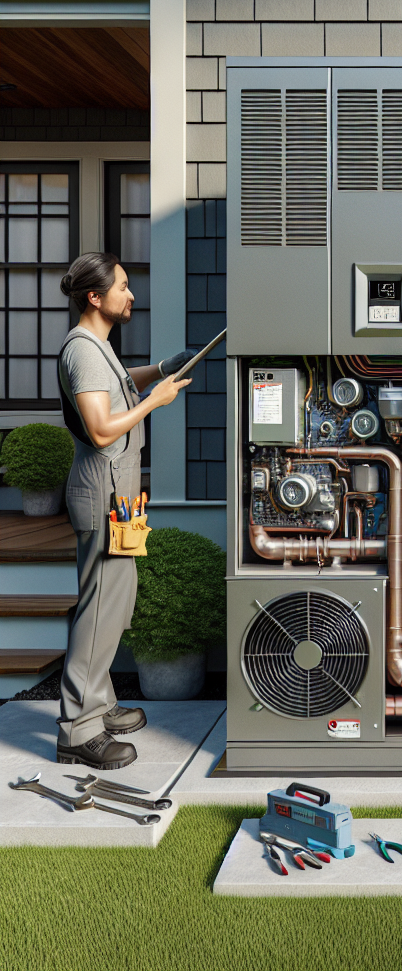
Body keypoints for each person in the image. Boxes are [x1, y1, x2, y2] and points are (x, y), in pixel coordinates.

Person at [55, 253, 195, 769]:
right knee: (99, 609)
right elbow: (100, 428)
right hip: (102, 488)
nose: (131, 295)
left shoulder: (98, 347)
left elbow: (115, 387)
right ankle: (78, 730)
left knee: (115, 600)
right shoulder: (83, 351)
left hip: (120, 489)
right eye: (123, 287)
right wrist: (155, 401)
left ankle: (101, 704)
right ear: (95, 297)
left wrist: (161, 369)